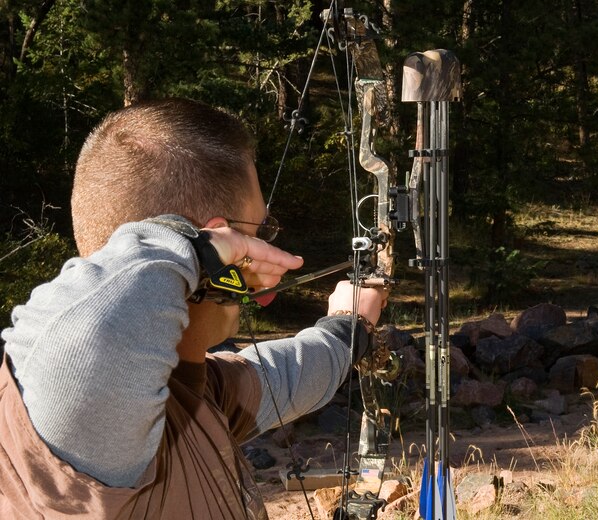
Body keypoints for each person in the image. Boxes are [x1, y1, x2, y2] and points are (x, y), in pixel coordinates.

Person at [0, 98, 387, 519]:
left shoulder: (196, 393)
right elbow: (95, 337)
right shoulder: (83, 420)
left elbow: (290, 375)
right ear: (224, 247)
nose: (266, 246)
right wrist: (197, 247)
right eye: (261, 230)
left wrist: (349, 325)